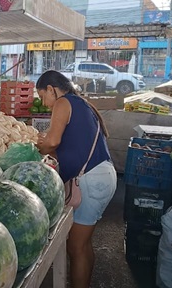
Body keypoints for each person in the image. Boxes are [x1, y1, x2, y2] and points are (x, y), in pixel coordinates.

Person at [35, 70, 116, 288]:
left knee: (75, 247)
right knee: (83, 244)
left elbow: (51, 142)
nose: (44, 103)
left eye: (43, 96)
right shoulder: (81, 104)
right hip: (102, 175)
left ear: (52, 89)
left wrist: (37, 144)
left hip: (91, 180)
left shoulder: (63, 102)